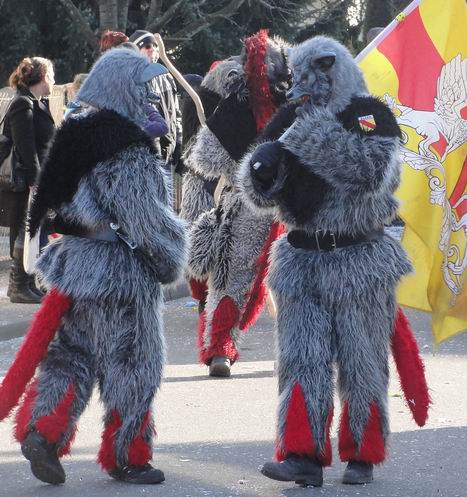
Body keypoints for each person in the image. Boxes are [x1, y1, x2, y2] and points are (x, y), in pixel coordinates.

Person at [240, 36, 430, 486]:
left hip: (358, 257)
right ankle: (303, 454)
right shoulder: (289, 117)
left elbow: (367, 172)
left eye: (312, 77)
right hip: (302, 257)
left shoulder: (369, 115)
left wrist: (308, 131)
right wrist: (260, 172)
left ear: (331, 71)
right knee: (301, 360)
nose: (301, 90)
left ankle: (362, 453)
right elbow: (256, 196)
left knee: (362, 360)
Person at [0, 48, 187, 486]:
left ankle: (43, 431)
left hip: (77, 266)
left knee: (72, 356)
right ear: (125, 90)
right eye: (143, 89)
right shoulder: (128, 149)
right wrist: (170, 260)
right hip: (121, 274)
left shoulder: (74, 133)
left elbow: (51, 202)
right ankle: (129, 454)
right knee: (135, 363)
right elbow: (148, 221)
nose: (150, 98)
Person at [182, 31, 291, 377]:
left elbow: (206, 160)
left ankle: (220, 351)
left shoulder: (235, 106)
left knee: (231, 280)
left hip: (249, 204)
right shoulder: (296, 105)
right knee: (291, 282)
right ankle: (289, 351)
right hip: (288, 207)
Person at [0, 57, 55, 303]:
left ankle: (28, 283)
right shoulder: (23, 103)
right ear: (43, 77)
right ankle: (18, 286)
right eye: (52, 75)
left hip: (36, 177)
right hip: (24, 181)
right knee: (25, 231)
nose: (54, 80)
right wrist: (36, 180)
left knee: (33, 230)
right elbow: (25, 147)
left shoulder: (38, 102)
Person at [130, 30, 182, 171]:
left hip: (167, 152)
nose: (152, 49)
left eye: (154, 45)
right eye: (147, 46)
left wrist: (178, 140)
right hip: (144, 154)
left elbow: (175, 112)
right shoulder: (132, 78)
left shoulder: (166, 76)